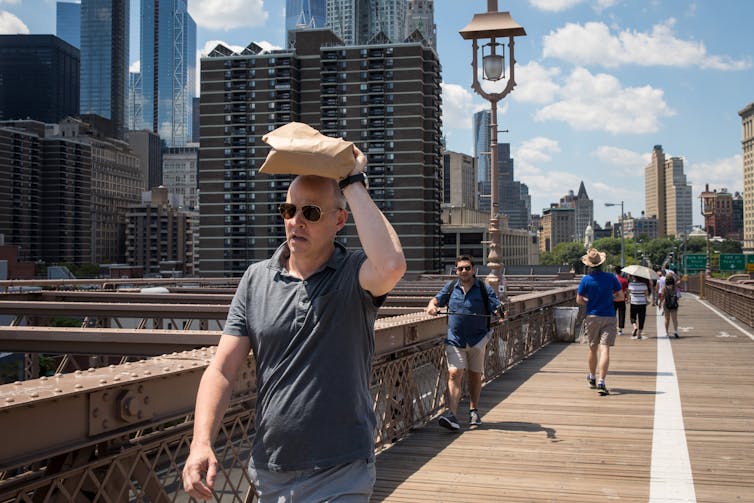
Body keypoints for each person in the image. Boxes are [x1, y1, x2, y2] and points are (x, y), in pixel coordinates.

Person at [182, 145, 406, 502]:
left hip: (342, 471)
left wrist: (352, 181)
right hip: (270, 472)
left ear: (339, 221)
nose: (296, 221)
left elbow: (392, 266)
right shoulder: (256, 280)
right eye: (289, 209)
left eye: (311, 212)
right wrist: (201, 442)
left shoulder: (353, 274)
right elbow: (223, 370)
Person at [426, 255, 502, 431]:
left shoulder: (483, 288)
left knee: (475, 375)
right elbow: (435, 300)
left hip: (478, 339)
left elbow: (496, 306)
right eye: (460, 268)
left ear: (473, 269)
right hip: (455, 339)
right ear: (456, 271)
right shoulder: (451, 287)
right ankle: (452, 415)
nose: (464, 271)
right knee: (454, 373)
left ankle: (473, 411)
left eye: (467, 268)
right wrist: (432, 306)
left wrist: (500, 313)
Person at [576, 248, 624, 396]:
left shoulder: (586, 279)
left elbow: (579, 300)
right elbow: (621, 297)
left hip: (592, 317)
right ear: (602, 263)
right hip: (609, 316)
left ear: (590, 265)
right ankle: (602, 381)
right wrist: (610, 299)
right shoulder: (611, 278)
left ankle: (592, 377)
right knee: (605, 349)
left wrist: (589, 301)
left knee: (592, 348)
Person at [627, 275, 650, 339]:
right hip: (642, 303)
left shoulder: (631, 284)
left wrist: (628, 299)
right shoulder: (644, 284)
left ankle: (635, 327)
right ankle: (639, 334)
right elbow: (646, 293)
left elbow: (628, 292)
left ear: (634, 277)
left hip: (633, 303)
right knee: (641, 318)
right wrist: (646, 300)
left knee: (632, 316)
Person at [660, 274, 681, 338]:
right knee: (674, 319)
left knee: (667, 319)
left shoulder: (664, 288)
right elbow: (678, 296)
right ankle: (676, 332)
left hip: (666, 305)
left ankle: (667, 333)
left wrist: (660, 303)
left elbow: (662, 297)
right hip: (674, 304)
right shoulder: (675, 287)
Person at [613, 266, 629, 335]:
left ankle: (613, 328)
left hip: (613, 299)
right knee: (622, 314)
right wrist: (627, 298)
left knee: (613, 314)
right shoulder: (624, 280)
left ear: (615, 271)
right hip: (622, 299)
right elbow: (626, 291)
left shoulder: (612, 280)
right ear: (621, 272)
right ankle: (620, 329)